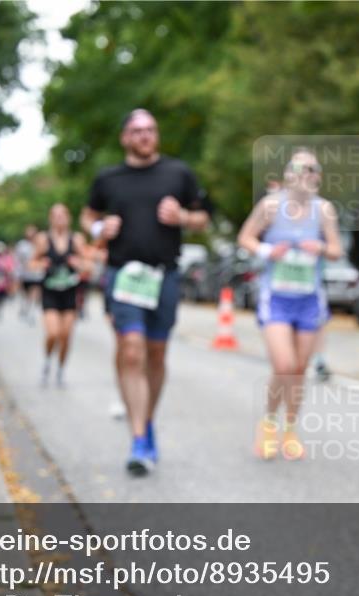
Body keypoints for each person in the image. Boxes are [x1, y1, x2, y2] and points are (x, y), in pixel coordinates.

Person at [81, 108, 211, 476]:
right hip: (123, 274)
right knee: (132, 350)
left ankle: (146, 420)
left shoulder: (178, 173)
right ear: (125, 137)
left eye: (151, 130)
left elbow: (204, 216)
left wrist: (185, 218)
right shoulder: (109, 178)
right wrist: (99, 228)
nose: (145, 136)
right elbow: (88, 216)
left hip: (164, 276)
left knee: (156, 354)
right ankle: (139, 439)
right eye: (137, 131)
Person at [238, 148, 343, 460]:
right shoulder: (271, 206)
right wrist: (268, 252)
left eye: (311, 169)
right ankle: (269, 423)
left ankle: (291, 429)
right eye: (299, 168)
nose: (305, 175)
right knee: (282, 366)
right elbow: (245, 238)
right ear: (287, 175)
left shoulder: (324, 210)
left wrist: (321, 247)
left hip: (309, 298)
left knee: (298, 369)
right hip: (277, 297)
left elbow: (337, 250)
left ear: (318, 177)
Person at [35, 204, 89, 387]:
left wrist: (78, 263)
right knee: (53, 333)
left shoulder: (77, 239)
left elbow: (88, 266)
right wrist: (40, 264)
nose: (59, 218)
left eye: (62, 215)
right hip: (50, 292)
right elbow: (31, 263)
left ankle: (60, 369)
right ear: (50, 218)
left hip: (69, 293)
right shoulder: (43, 239)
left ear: (68, 218)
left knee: (66, 335)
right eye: (55, 215)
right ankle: (47, 362)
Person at [15, 225, 43, 323]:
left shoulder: (40, 244)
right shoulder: (22, 245)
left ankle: (32, 312)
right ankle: (25, 308)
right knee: (25, 294)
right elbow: (18, 260)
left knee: (35, 293)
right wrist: (17, 274)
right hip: (25, 274)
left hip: (37, 274)